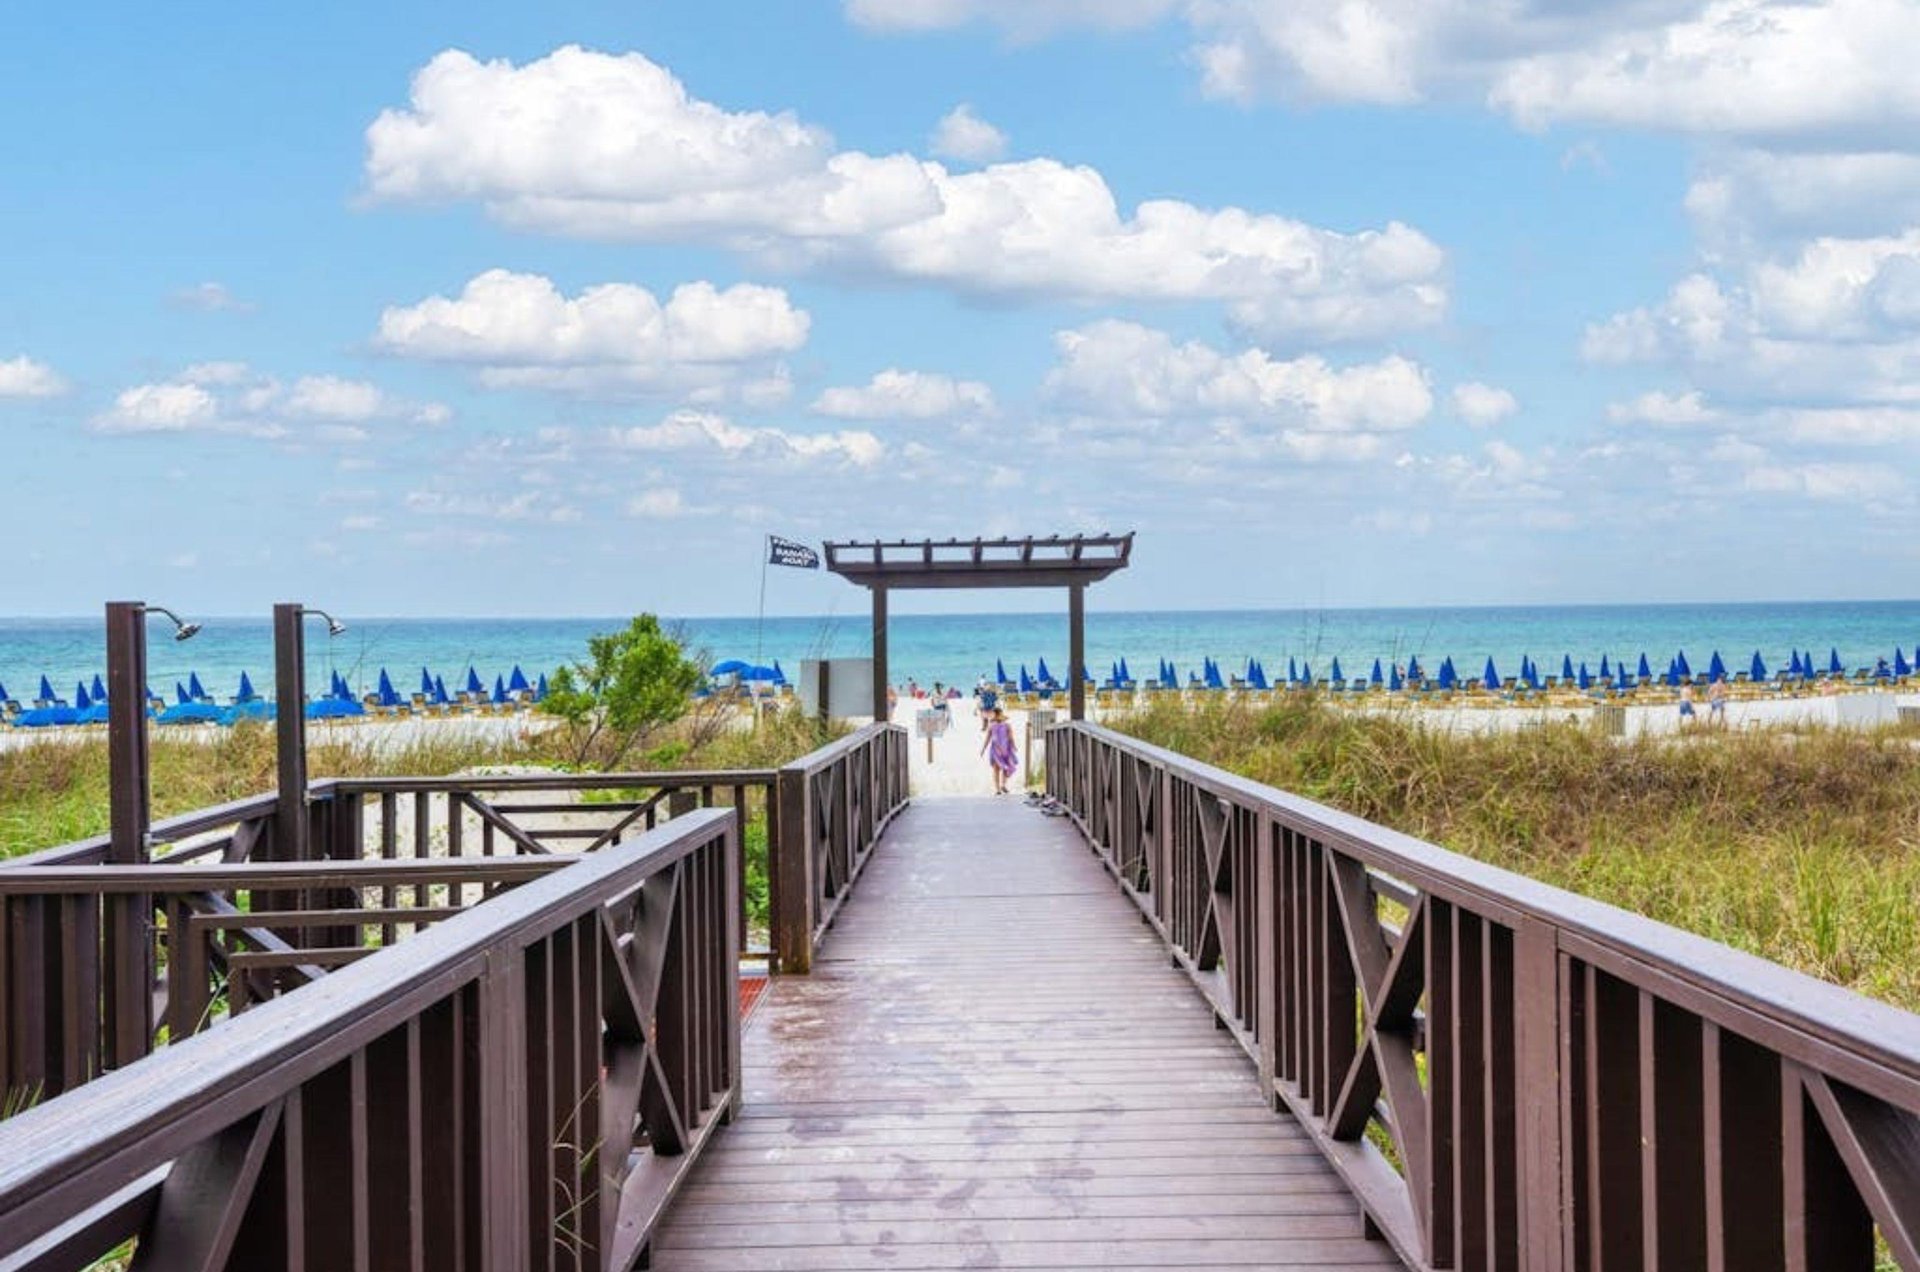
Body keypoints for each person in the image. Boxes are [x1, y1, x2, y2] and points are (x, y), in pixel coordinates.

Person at [981, 706, 1019, 794]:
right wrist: (1014, 746)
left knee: (997, 769)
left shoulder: (993, 726)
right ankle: (1002, 786)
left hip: (997, 749)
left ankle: (999, 788)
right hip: (1004, 749)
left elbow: (988, 739)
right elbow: (1011, 738)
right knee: (1004, 768)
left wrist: (983, 749)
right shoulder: (1006, 725)